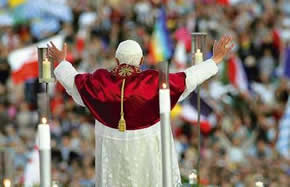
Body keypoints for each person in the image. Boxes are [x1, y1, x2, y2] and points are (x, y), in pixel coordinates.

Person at [48, 35, 233, 187]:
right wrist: (214, 60)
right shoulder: (153, 82)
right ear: (142, 60)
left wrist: (61, 62)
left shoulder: (99, 82)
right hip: (148, 161)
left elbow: (73, 82)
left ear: (116, 59)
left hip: (113, 161)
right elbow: (188, 79)